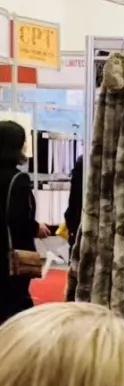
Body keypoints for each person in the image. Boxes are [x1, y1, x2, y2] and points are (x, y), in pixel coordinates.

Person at [0, 120, 49, 324]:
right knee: (15, 310)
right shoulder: (18, 179)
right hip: (11, 259)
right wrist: (36, 228)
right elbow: (20, 220)